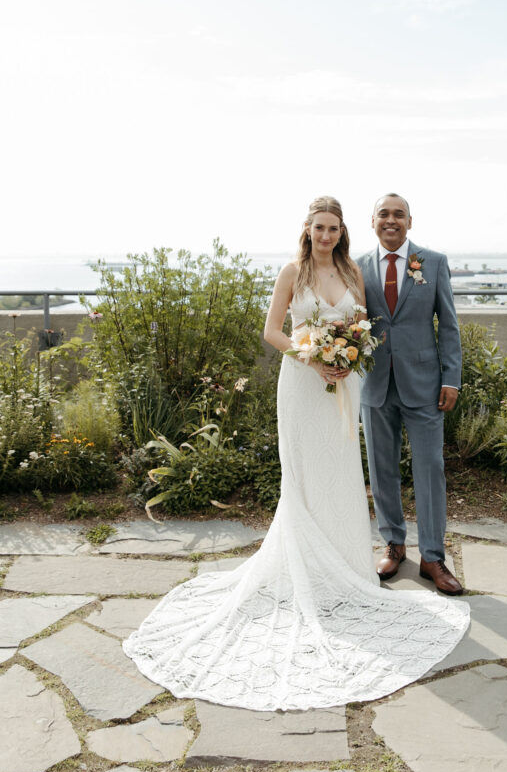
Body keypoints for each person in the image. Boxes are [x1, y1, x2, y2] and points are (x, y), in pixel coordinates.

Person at [123, 196, 469, 711]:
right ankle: (387, 550)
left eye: (333, 227)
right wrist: (316, 357)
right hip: (321, 385)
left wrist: (435, 374)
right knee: (350, 472)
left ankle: (431, 559)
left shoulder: (378, 269)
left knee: (398, 469)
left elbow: (409, 325)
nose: (326, 234)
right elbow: (276, 330)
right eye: (319, 227)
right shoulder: (310, 269)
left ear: (349, 230)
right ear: (310, 230)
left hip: (365, 384)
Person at [359, 193, 464, 595]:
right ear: (372, 222)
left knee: (430, 469)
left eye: (398, 214)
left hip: (424, 385)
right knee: (382, 470)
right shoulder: (356, 267)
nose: (391, 220)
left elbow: (449, 325)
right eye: (383, 214)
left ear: (410, 221)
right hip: (376, 384)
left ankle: (433, 558)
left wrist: (451, 379)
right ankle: (394, 544)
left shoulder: (433, 262)